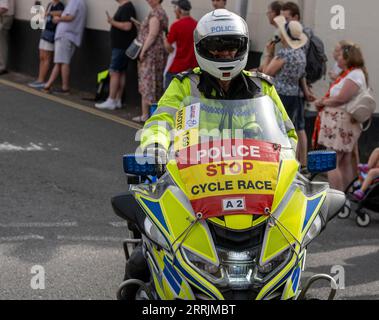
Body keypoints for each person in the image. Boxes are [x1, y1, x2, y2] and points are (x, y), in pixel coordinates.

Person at [124, 9, 298, 294]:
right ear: (202, 49)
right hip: (193, 182)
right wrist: (155, 146)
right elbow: (161, 121)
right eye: (217, 48)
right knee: (145, 256)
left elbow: (287, 134)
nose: (225, 55)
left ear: (242, 47)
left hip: (253, 185)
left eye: (231, 47)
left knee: (284, 248)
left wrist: (288, 160)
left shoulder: (261, 87)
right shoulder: (184, 85)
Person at [314, 43, 369, 191]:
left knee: (333, 161)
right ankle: (346, 192)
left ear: (348, 58)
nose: (337, 59)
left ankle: (338, 194)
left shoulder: (355, 74)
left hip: (340, 122)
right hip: (339, 121)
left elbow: (342, 98)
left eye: (340, 56)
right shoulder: (350, 73)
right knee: (344, 160)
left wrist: (322, 101)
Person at [261, 15, 310, 170]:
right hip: (294, 96)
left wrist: (269, 53)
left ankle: (276, 161)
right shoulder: (301, 53)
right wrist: (307, 92)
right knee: (289, 129)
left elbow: (267, 73)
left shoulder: (285, 54)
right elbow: (302, 76)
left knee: (274, 128)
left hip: (279, 95)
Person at [95, 0, 137, 110]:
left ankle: (111, 99)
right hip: (122, 46)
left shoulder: (127, 7)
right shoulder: (125, 7)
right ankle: (117, 100)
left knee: (114, 71)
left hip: (121, 46)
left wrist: (112, 22)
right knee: (121, 72)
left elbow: (128, 26)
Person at [132, 0, 168, 123]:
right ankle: (146, 114)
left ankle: (147, 115)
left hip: (151, 54)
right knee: (151, 82)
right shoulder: (158, 12)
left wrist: (142, 51)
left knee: (149, 82)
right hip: (156, 53)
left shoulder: (156, 13)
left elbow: (152, 35)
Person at [43, 0, 87, 95]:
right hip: (70, 35)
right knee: (60, 62)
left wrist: (58, 19)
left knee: (63, 62)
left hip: (65, 35)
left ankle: (65, 88)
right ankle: (48, 85)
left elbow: (70, 17)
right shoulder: (81, 2)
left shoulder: (74, 2)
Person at [28, 0, 65, 88]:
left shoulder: (60, 5)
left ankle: (42, 80)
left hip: (52, 34)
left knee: (47, 57)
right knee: (41, 56)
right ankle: (39, 79)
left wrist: (49, 13)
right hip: (45, 32)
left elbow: (61, 13)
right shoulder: (50, 4)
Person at [163, 0, 197, 90]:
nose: (174, 11)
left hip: (176, 68)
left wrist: (164, 39)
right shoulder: (197, 25)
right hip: (192, 69)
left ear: (180, 10)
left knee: (170, 98)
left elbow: (169, 48)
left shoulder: (176, 26)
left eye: (175, 8)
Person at [258, 1, 284, 70]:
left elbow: (274, 57)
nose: (267, 15)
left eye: (268, 12)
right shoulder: (279, 31)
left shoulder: (279, 34)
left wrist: (259, 70)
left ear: (274, 13)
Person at [0, 0, 14, 75]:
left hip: (4, 17)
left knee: (2, 43)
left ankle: (2, 67)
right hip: (5, 17)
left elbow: (4, 8)